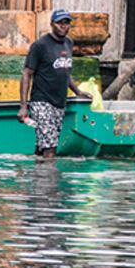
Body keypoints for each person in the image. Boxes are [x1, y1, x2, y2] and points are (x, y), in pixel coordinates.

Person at [19, 9, 85, 158]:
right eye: (59, 23)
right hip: (42, 102)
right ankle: (50, 180)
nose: (63, 26)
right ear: (51, 25)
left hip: (59, 103)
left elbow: (65, 72)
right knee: (50, 148)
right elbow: (27, 73)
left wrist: (78, 92)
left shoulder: (69, 43)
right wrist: (23, 106)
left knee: (43, 146)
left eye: (66, 23)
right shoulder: (40, 45)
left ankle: (35, 177)